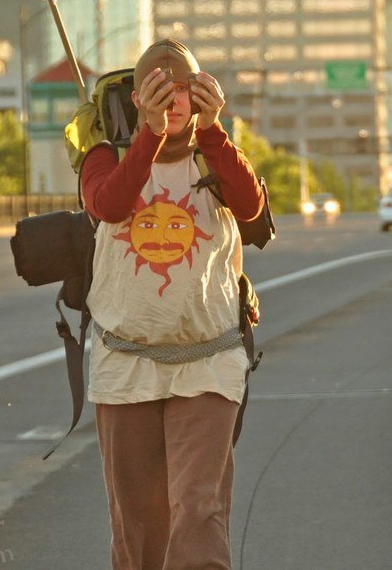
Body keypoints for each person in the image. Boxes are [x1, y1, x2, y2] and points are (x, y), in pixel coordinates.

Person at [80, 39, 264, 570]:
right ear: (137, 97)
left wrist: (213, 132)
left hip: (209, 360)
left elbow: (250, 207)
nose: (173, 99)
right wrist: (149, 141)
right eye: (159, 89)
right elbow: (109, 204)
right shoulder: (105, 157)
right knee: (138, 524)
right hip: (125, 363)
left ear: (202, 93)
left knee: (198, 508)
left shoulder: (217, 151)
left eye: (183, 87)